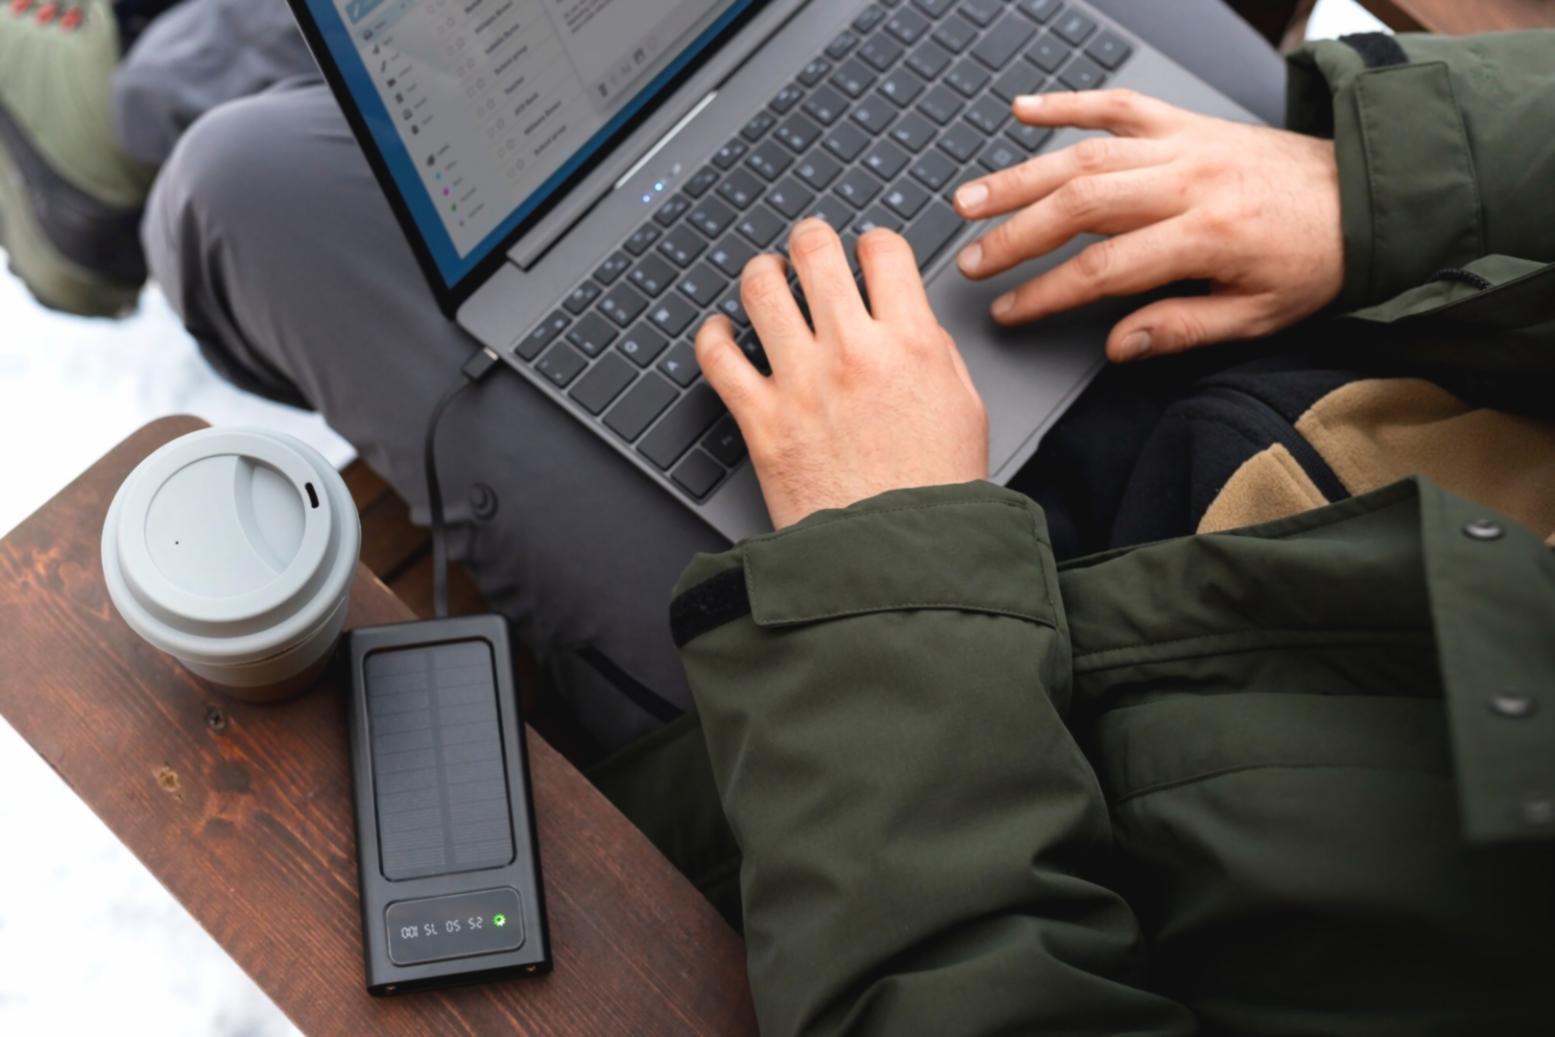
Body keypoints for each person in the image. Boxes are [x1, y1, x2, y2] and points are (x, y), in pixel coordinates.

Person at [4, 3, 1552, 1031]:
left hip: (1016, 672)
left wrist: (886, 555)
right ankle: (164, 54)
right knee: (766, 31)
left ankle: (124, 115)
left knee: (254, 181)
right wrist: (1380, 184)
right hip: (1387, 323)